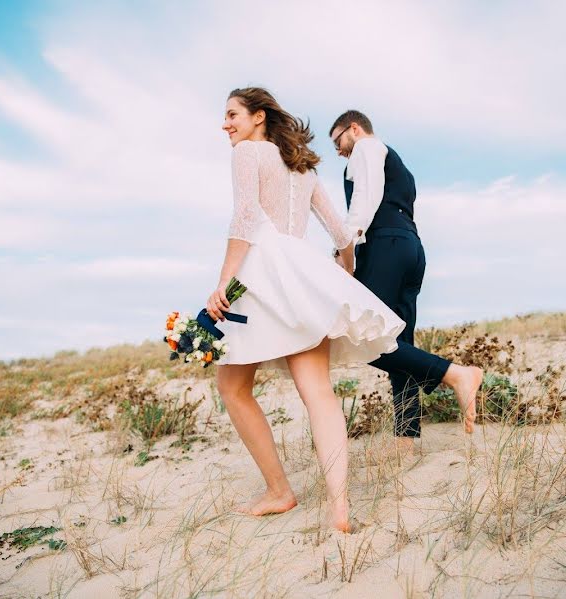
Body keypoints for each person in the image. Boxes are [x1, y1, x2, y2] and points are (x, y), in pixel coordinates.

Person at [207, 88, 405, 532]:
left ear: (258, 117)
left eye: (232, 115)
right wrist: (343, 277)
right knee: (318, 393)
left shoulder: (247, 154)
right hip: (302, 275)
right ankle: (340, 507)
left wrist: (223, 282)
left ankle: (280, 491)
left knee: (233, 388)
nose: (226, 124)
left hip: (260, 275)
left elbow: (244, 219)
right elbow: (341, 234)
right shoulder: (303, 167)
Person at [329, 110, 483, 453]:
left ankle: (456, 374)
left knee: (363, 335)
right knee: (401, 342)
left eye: (338, 141)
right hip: (410, 248)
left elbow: (364, 199)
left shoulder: (367, 149)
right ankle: (407, 436)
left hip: (385, 246)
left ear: (354, 129)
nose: (338, 151)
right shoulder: (397, 164)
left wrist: (345, 247)